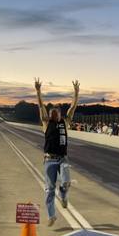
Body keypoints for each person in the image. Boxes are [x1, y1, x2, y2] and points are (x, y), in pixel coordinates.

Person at [35, 78, 80, 226]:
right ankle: (51, 216)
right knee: (49, 189)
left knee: (66, 181)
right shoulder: (46, 123)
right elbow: (41, 105)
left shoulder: (65, 122)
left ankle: (64, 196)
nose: (55, 114)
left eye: (57, 112)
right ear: (50, 114)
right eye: (52, 112)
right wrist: (38, 91)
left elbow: (73, 107)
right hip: (49, 159)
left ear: (60, 114)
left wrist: (76, 92)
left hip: (62, 158)